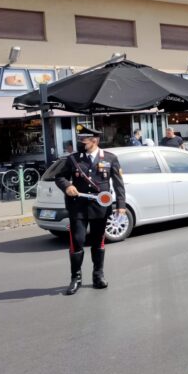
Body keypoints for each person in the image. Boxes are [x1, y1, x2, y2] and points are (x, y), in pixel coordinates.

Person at [54, 124, 126, 295]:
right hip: (77, 207)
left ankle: (98, 275)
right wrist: (66, 186)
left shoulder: (110, 158)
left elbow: (118, 183)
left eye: (84, 139)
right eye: (80, 139)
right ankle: (75, 278)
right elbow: (59, 177)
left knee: (98, 241)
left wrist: (121, 206)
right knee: (77, 241)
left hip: (100, 207)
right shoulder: (73, 159)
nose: (81, 142)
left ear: (95, 140)